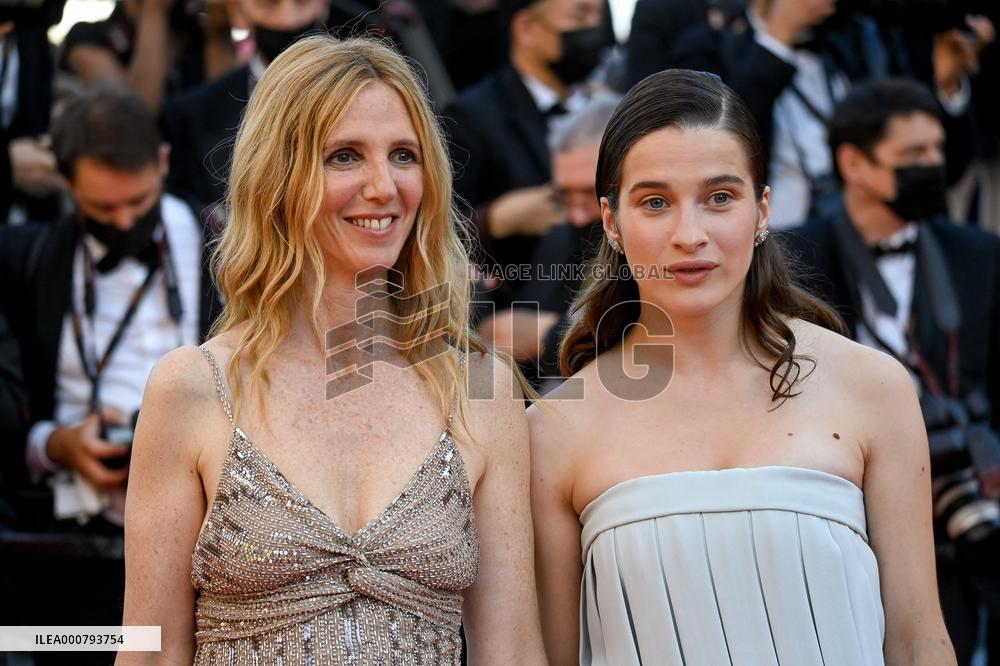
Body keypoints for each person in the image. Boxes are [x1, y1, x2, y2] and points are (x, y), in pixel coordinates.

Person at [118, 36, 546, 664]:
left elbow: (512, 650)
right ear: (277, 178)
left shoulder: (481, 389)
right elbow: (149, 649)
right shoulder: (193, 387)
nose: (384, 186)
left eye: (404, 155)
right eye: (345, 156)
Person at [529, 69, 954, 665]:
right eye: (655, 202)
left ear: (762, 210)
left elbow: (917, 640)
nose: (690, 235)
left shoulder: (871, 387)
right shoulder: (554, 431)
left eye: (720, 198)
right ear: (611, 222)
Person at [0, 86, 220, 664]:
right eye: (102, 209)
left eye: (139, 202)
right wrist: (57, 444)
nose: (125, 220)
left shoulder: (227, 246)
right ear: (67, 184)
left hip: (209, 551)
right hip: (72, 551)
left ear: (164, 163)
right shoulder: (26, 262)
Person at [785, 77, 1000, 666]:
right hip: (855, 523)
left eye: (937, 150)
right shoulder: (792, 262)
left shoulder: (978, 254)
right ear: (854, 164)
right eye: (912, 154)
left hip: (975, 512)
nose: (932, 165)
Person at [162, 0, 329, 210]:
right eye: (268, 3)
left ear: (324, 4)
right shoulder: (193, 114)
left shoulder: (363, 91)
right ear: (237, 12)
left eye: (303, 0)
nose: (288, 20)